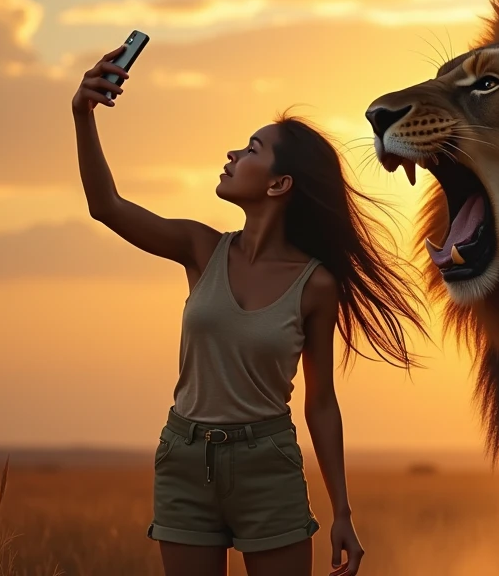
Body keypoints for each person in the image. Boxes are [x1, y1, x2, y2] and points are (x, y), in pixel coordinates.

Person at [71, 46, 429, 576]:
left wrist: (343, 514)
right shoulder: (201, 247)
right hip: (184, 459)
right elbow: (107, 206)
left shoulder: (315, 285)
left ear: (279, 184)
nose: (233, 154)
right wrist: (82, 112)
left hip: (269, 466)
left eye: (252, 149)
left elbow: (322, 404)